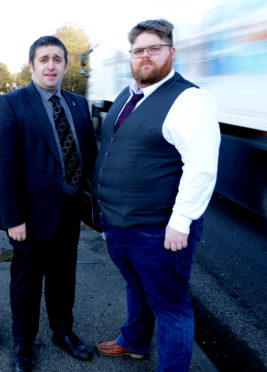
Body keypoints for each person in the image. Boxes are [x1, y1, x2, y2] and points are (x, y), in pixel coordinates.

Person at [93, 19, 221, 372]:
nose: (145, 56)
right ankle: (134, 342)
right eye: (138, 50)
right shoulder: (127, 93)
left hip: (158, 230)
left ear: (172, 52)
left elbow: (202, 167)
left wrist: (181, 223)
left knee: (172, 307)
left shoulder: (190, 99)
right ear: (130, 57)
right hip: (118, 225)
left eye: (154, 48)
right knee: (136, 286)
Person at [0, 36, 98, 372]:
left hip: (69, 212)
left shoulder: (79, 104)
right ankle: (23, 345)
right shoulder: (12, 103)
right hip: (29, 218)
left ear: (66, 65)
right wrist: (12, 218)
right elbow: (2, 166)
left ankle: (62, 332)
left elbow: (88, 158)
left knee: (64, 278)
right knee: (26, 283)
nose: (51, 65)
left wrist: (89, 207)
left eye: (57, 59)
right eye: (44, 59)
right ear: (32, 65)